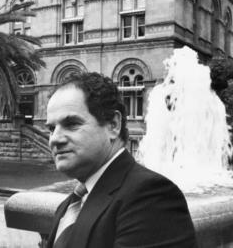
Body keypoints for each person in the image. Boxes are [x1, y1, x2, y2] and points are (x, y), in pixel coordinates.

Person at [44, 72, 197, 248]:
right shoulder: (68, 206)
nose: (55, 138)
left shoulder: (150, 196)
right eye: (51, 128)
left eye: (71, 124)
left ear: (113, 125)